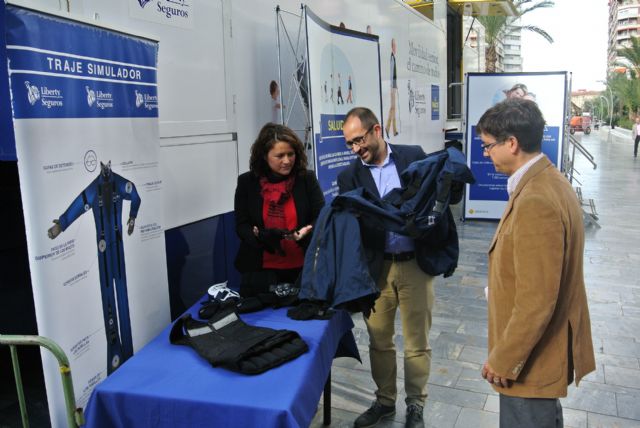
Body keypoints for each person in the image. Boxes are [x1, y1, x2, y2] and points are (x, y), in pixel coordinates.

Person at [476, 98, 595, 428]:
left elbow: (537, 301)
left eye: (488, 146)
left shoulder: (536, 199)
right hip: (537, 355)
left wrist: (503, 360)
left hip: (530, 361)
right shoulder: (548, 181)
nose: (485, 154)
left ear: (511, 143)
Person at [338, 107, 434, 428]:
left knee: (416, 341)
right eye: (349, 144)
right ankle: (385, 401)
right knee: (379, 341)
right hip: (376, 270)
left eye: (359, 140)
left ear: (376, 130)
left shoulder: (414, 157)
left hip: (415, 267)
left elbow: (434, 203)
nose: (355, 149)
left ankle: (416, 404)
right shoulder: (348, 177)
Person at [234, 123, 324, 295]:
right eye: (280, 155)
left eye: (291, 154)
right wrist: (258, 236)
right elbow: (241, 225)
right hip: (259, 271)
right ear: (264, 156)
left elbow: (320, 216)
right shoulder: (247, 183)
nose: (287, 160)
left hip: (302, 269)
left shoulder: (307, 179)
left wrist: (306, 231)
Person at [385, 38, 398, 139]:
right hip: (392, 86)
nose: (395, 47)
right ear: (391, 46)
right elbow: (391, 73)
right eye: (394, 45)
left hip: (394, 85)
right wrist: (393, 85)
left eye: (395, 45)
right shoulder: (392, 58)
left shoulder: (394, 57)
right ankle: (387, 127)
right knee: (392, 108)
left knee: (394, 108)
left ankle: (394, 130)